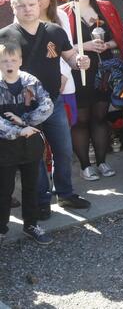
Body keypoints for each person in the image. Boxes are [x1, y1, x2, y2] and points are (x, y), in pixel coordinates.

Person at [0, 0, 91, 220]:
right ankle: (41, 200)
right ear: (13, 8)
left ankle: (66, 193)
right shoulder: (4, 36)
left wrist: (79, 60)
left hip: (53, 102)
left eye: (31, 4)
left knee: (63, 150)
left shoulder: (55, 31)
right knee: (35, 156)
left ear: (40, 5)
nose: (27, 9)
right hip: (22, 110)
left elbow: (70, 56)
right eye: (21, 5)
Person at [60, 0, 123, 181]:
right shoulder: (64, 12)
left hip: (102, 71)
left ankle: (102, 161)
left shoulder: (104, 7)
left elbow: (118, 37)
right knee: (81, 119)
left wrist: (106, 45)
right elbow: (62, 46)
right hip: (78, 70)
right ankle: (85, 165)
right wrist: (84, 46)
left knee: (100, 116)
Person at [0, 41, 54, 245]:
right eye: (4, 61)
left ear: (20, 61)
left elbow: (47, 105)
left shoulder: (30, 81)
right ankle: (1, 228)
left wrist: (25, 122)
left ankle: (31, 225)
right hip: (4, 147)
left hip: (30, 144)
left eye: (13, 60)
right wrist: (18, 130)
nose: (9, 64)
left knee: (31, 187)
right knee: (4, 189)